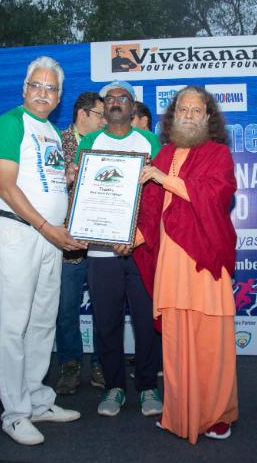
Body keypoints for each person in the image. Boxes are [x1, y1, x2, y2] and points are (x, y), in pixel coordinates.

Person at [134, 86, 238, 443]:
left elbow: (216, 194)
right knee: (176, 341)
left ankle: (217, 414)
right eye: (183, 109)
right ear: (173, 115)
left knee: (211, 342)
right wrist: (134, 238)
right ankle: (178, 413)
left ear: (208, 117)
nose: (189, 115)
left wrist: (163, 179)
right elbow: (151, 208)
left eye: (197, 110)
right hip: (171, 260)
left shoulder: (218, 154)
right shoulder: (163, 154)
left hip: (204, 259)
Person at [0, 56, 83, 445]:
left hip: (49, 238)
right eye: (37, 86)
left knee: (43, 321)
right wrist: (47, 228)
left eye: (51, 88)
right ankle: (14, 413)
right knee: (13, 325)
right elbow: (6, 186)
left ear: (59, 97)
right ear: (24, 89)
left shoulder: (51, 131)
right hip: (20, 234)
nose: (43, 93)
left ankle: (38, 400)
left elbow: (44, 180)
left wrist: (69, 177)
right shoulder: (10, 123)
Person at [75, 80, 163, 418]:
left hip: (141, 248)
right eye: (109, 98)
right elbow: (82, 191)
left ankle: (147, 386)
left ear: (132, 106)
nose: (114, 102)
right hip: (101, 249)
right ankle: (114, 386)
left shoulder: (149, 140)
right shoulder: (90, 142)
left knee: (145, 322)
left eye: (122, 98)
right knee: (106, 322)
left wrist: (138, 234)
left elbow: (157, 195)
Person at [55, 91, 106, 395]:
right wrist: (66, 178)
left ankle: (101, 364)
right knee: (66, 309)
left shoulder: (106, 143)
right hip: (67, 242)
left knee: (104, 308)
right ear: (82, 113)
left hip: (101, 243)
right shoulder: (55, 141)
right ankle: (70, 365)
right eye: (100, 115)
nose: (104, 121)